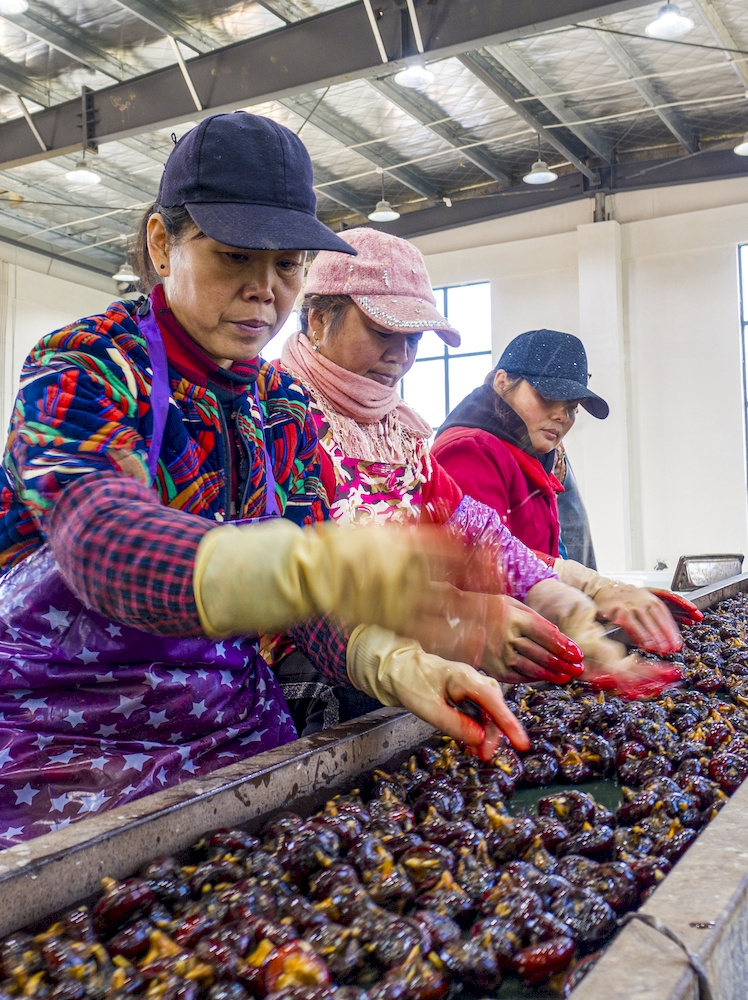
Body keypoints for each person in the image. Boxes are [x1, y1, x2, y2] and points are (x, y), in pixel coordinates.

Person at [0, 113, 554, 866]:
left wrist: (396, 663)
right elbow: (103, 542)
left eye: (287, 265)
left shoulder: (281, 409)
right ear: (163, 245)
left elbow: (312, 605)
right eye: (232, 257)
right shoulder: (85, 367)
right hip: (50, 760)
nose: (264, 292)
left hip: (229, 740)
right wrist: (312, 565)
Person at [278, 228, 682, 725]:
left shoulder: (399, 437)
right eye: (384, 333)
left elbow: (479, 532)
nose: (401, 356)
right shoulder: (278, 419)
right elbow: (291, 586)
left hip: (413, 676)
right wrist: (452, 621)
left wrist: (563, 599)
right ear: (319, 319)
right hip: (314, 689)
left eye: (413, 339)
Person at [432, 329, 701, 653]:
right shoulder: (471, 450)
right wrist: (592, 587)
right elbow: (478, 559)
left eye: (571, 406)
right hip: (487, 656)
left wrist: (606, 597)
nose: (562, 416)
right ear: (501, 382)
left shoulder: (534, 456)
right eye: (547, 397)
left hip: (530, 645)